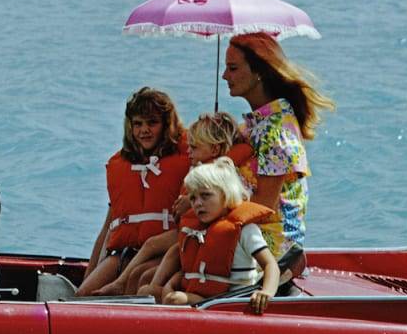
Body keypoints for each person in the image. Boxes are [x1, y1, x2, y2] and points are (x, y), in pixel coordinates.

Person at [97, 111, 253, 295]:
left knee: (150, 253)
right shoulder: (200, 169)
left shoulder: (220, 174)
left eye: (194, 148)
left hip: (202, 233)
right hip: (188, 230)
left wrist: (189, 200)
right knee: (149, 255)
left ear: (214, 150)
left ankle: (135, 289)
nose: (189, 152)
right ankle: (130, 292)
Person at [220, 32, 334, 262]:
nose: (224, 76)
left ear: (259, 72)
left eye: (233, 68)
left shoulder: (275, 132)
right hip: (249, 235)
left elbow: (264, 208)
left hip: (272, 250)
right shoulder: (257, 125)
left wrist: (212, 210)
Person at [75, 87, 188, 295]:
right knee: (82, 296)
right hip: (123, 253)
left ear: (166, 125)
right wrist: (90, 273)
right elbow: (108, 227)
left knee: (136, 281)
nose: (144, 130)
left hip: (161, 252)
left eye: (152, 123)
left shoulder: (185, 161)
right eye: (138, 124)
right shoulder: (121, 165)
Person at [158, 157, 280, 314]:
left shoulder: (245, 230)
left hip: (231, 301)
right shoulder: (196, 231)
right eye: (193, 198)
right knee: (151, 292)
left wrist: (267, 292)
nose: (197, 203)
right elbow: (188, 270)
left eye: (205, 196)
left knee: (175, 300)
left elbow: (270, 265)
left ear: (226, 194)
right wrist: (169, 286)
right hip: (203, 297)